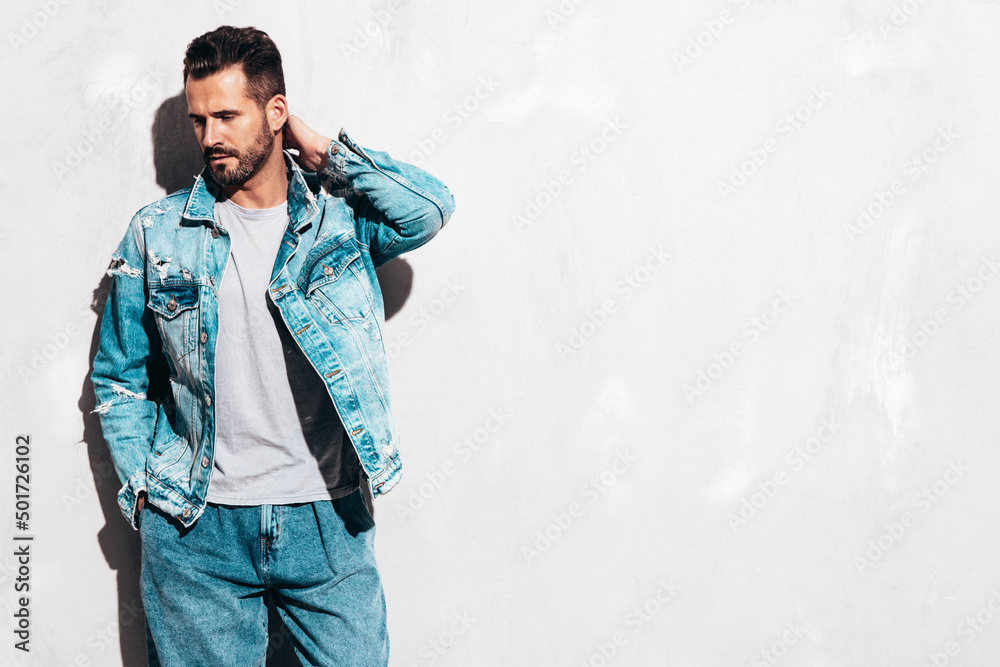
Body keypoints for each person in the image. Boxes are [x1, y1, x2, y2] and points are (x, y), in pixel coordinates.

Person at [89, 24, 455, 666]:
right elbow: (119, 376)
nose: (210, 138)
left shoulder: (338, 223)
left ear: (275, 111)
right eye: (199, 120)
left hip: (327, 518)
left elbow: (427, 209)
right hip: (196, 527)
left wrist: (323, 153)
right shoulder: (158, 235)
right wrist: (144, 489)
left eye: (227, 116)